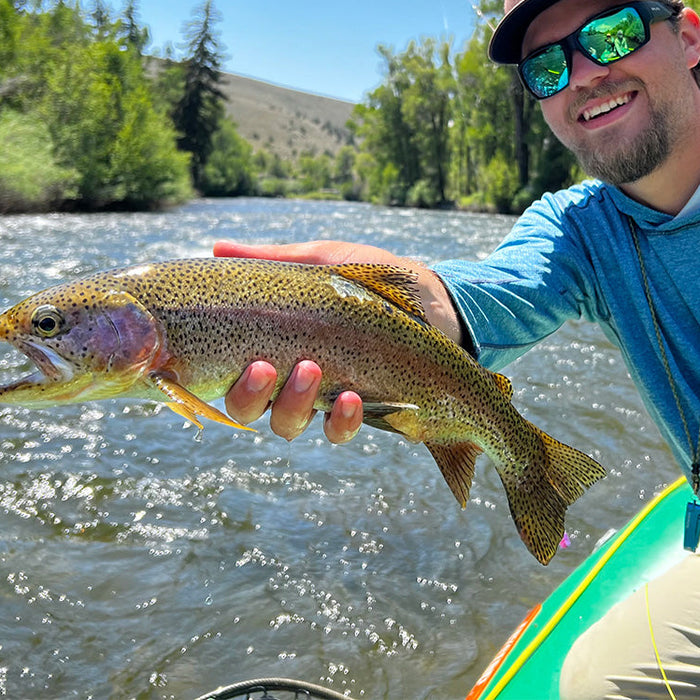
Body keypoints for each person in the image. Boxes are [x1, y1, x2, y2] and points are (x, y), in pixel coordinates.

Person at [214, 0, 700, 696]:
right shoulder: (578, 232)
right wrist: (374, 307)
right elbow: (467, 301)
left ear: (687, 35)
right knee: (593, 681)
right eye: (548, 64)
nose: (585, 73)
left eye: (611, 32)